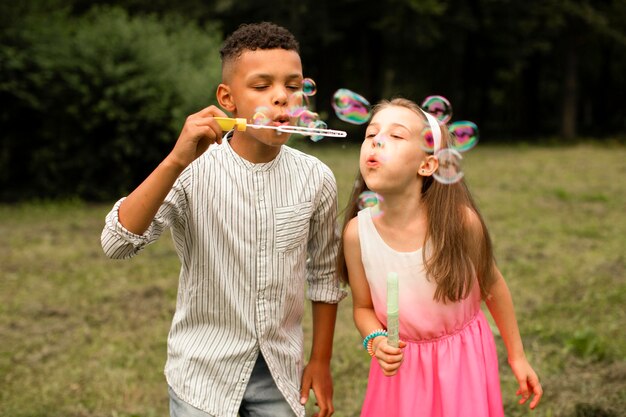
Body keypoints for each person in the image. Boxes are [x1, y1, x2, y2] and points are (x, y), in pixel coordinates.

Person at [101, 22, 345, 417]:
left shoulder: (316, 178)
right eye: (262, 86)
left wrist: (321, 360)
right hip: (202, 376)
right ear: (227, 99)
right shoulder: (191, 170)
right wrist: (177, 160)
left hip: (281, 376)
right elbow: (116, 243)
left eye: (293, 85)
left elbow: (324, 276)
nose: (282, 97)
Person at [338, 98, 542, 416]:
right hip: (401, 370)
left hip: (462, 361)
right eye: (371, 134)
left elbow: (492, 286)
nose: (376, 141)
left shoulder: (460, 224)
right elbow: (363, 308)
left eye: (396, 136)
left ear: (427, 165)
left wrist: (517, 356)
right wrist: (375, 340)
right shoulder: (356, 234)